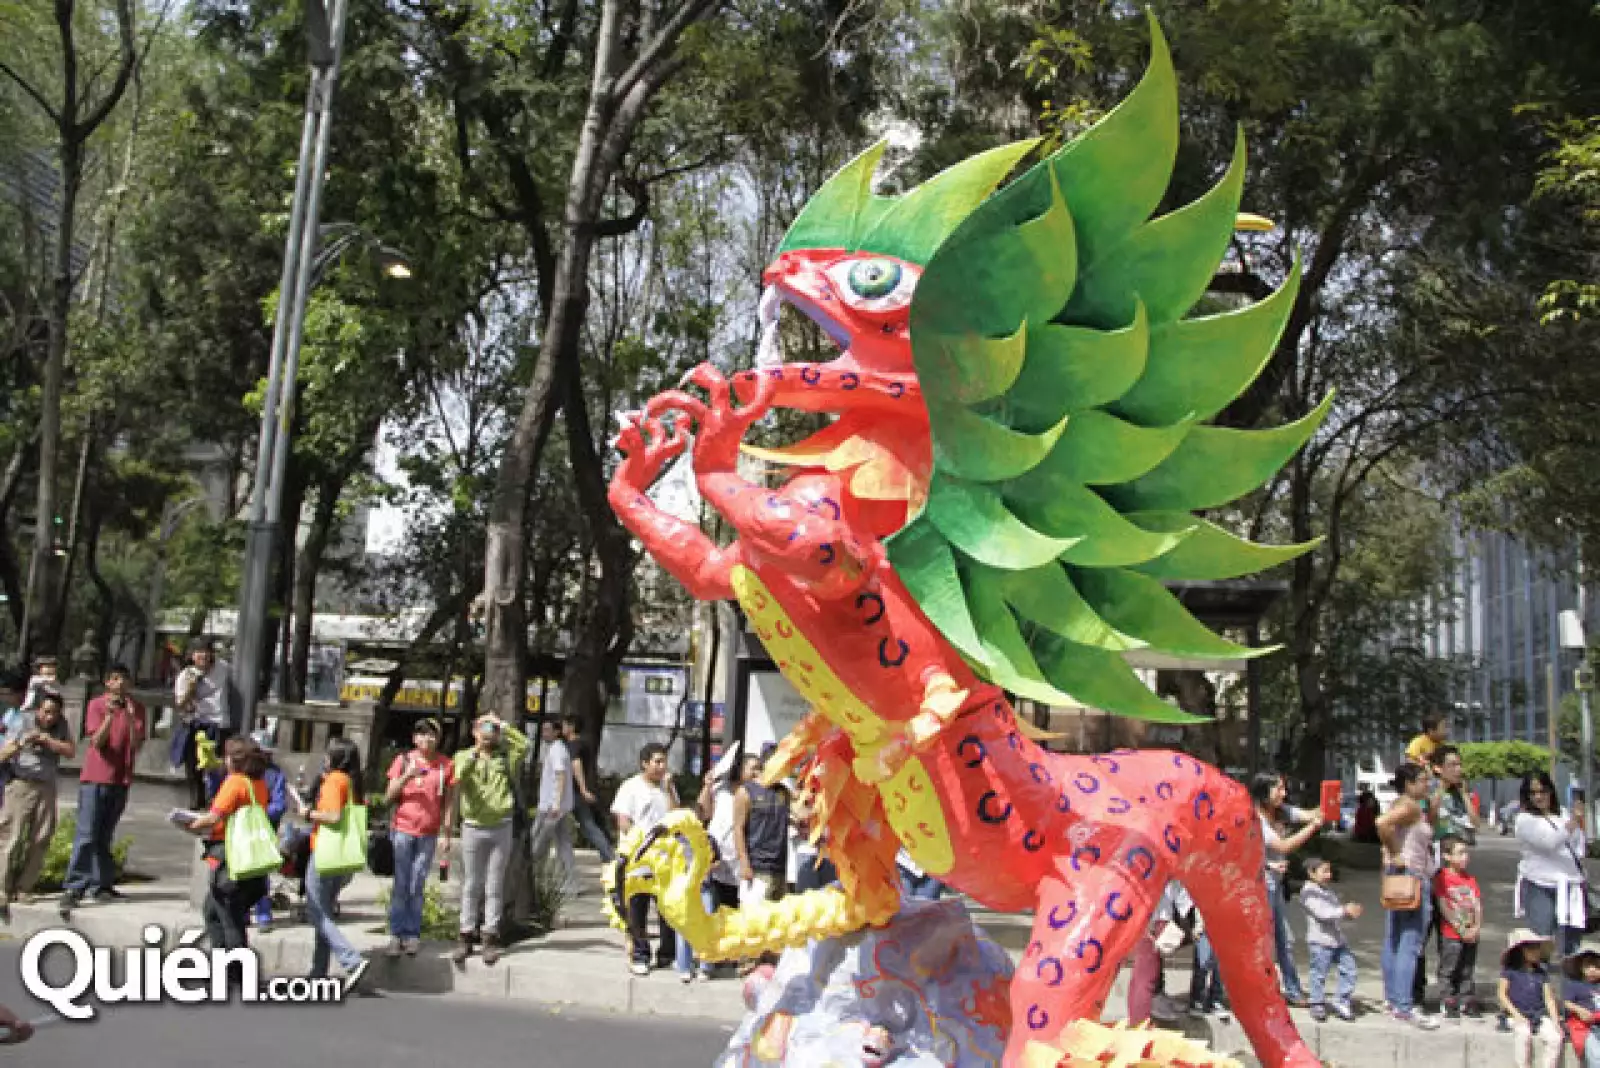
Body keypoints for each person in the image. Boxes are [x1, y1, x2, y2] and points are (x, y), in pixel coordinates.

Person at [60, 664, 146, 917]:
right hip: (97, 777)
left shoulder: (136, 708)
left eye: (124, 679)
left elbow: (137, 743)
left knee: (105, 834)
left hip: (121, 779)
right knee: (87, 833)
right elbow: (96, 741)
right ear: (108, 682)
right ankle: (74, 886)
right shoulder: (96, 705)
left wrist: (129, 716)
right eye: (115, 679)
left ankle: (101, 884)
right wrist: (110, 716)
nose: (120, 684)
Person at [178, 737, 272, 955]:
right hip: (250, 862)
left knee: (231, 921)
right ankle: (224, 965)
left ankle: (235, 975)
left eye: (226, 756)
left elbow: (214, 817)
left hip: (230, 859)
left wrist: (189, 824)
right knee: (213, 912)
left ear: (234, 760)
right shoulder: (258, 784)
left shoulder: (235, 782)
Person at [448, 712, 528, 966]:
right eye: (483, 727)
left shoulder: (506, 757)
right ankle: (465, 933)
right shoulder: (463, 756)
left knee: (494, 884)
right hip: (473, 826)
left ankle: (490, 936)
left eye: (490, 728)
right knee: (472, 884)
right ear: (473, 731)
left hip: (501, 827)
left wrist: (503, 726)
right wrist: (476, 751)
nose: (487, 732)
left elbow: (524, 745)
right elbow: (459, 775)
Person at [298, 737, 370, 990]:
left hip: (325, 853)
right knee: (324, 913)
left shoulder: (335, 780)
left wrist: (308, 813)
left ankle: (350, 959)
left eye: (329, 754)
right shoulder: (352, 783)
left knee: (316, 911)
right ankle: (318, 970)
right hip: (343, 857)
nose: (324, 758)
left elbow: (333, 816)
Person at [676, 747, 749, 982]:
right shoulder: (720, 791)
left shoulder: (752, 794)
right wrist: (708, 785)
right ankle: (701, 961)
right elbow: (703, 811)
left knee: (734, 912)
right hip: (715, 867)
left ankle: (728, 957)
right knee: (713, 913)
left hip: (738, 863)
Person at [384, 717, 454, 957]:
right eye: (422, 734)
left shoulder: (445, 765)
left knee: (418, 882)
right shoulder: (403, 761)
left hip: (428, 833)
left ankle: (412, 934)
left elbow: (448, 803)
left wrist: (447, 834)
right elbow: (388, 796)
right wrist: (407, 776)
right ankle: (396, 934)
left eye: (432, 735)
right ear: (415, 738)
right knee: (401, 883)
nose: (427, 739)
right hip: (403, 829)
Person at [0, 691, 74, 920]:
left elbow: (70, 751)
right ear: (38, 709)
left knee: (41, 838)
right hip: (22, 783)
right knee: (10, 838)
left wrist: (48, 740)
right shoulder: (22, 720)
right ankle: (2, 888)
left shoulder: (61, 726)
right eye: (46, 711)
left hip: (47, 785)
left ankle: (24, 887)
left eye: (54, 713)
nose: (49, 717)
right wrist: (25, 741)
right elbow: (5, 752)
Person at [1377, 761, 1439, 1029]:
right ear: (1409, 784)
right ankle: (1403, 1004)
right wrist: (1397, 853)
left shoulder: (1402, 804)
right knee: (1410, 942)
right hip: (1412, 876)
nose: (1427, 785)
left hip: (1397, 876)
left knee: (1394, 938)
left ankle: (1393, 999)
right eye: (1423, 781)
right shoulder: (1409, 806)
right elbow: (1382, 824)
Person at [1252, 771, 1323, 1007]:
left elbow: (1308, 814)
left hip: (1276, 885)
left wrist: (1327, 806)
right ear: (1264, 793)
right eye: (1278, 789)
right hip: (1262, 887)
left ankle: (1291, 989)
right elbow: (1283, 845)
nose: (1283, 794)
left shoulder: (1280, 811)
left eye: (1284, 788)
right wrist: (1312, 827)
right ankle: (1261, 991)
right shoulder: (1257, 819)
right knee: (1265, 942)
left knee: (1284, 940)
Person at [612, 741, 680, 975]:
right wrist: (636, 845)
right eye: (657, 761)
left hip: (663, 860)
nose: (662, 767)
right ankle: (640, 954)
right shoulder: (630, 787)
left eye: (664, 761)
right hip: (638, 861)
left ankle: (667, 953)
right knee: (637, 910)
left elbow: (675, 816)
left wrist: (670, 789)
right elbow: (623, 820)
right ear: (644, 763)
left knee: (666, 909)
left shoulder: (666, 788)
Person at [1514, 770, 1588, 958]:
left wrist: (1576, 824)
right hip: (1540, 884)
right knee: (1541, 942)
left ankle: (1571, 985)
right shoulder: (1524, 819)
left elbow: (1578, 848)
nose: (1539, 796)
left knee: (1571, 946)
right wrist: (1572, 822)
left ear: (1551, 791)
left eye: (1543, 791)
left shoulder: (1562, 813)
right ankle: (1540, 984)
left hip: (1570, 885)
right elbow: (1548, 843)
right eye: (1533, 792)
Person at [1298, 856, 1360, 1022]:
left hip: (1337, 940)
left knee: (1350, 969)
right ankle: (1316, 1002)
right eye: (1324, 871)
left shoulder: (1328, 891)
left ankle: (1341, 999)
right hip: (1320, 941)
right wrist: (1343, 910)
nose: (1328, 874)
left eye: (1329, 871)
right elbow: (1323, 914)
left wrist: (1349, 914)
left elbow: (1335, 914)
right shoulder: (1308, 893)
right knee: (1319, 973)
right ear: (1311, 873)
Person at [172, 641, 231, 810]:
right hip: (194, 723)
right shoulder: (185, 675)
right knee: (193, 763)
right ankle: (196, 798)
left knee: (216, 763)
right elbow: (181, 704)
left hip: (218, 722)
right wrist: (191, 688)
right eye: (198, 652)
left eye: (206, 652)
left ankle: (215, 798)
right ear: (192, 655)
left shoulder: (222, 668)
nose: (203, 656)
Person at [1433, 833, 1483, 1018]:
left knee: (1467, 968)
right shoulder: (1443, 878)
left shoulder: (1470, 880)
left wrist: (1476, 926)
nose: (1465, 857)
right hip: (1452, 933)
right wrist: (1460, 928)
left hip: (1471, 932)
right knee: (1449, 967)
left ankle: (1466, 998)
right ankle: (1448, 998)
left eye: (1466, 853)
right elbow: (1444, 905)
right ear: (1447, 856)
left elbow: (1477, 904)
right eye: (1460, 853)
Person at [735, 744, 790, 906]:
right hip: (757, 869)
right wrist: (744, 863)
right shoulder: (745, 792)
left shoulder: (783, 791)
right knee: (753, 923)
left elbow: (788, 818)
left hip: (779, 868)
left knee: (776, 925)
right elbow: (738, 828)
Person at [245, 730, 289, 932]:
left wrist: (260, 812)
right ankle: (243, 912)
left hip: (265, 829)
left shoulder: (275, 774)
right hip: (242, 830)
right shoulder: (240, 774)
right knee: (241, 872)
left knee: (261, 873)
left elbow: (279, 805)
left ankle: (264, 914)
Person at [1499, 929, 1561, 1068]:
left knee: (1555, 1038)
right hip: (1515, 1014)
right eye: (1530, 948)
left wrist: (1555, 1020)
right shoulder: (1509, 972)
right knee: (1523, 1034)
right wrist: (1516, 1015)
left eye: (1537, 947)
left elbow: (1549, 998)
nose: (1535, 951)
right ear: (1519, 951)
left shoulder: (1541, 973)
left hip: (1538, 1014)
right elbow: (1502, 995)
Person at [529, 718, 576, 893]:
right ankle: (570, 883)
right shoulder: (557, 750)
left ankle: (533, 880)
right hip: (557, 806)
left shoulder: (557, 750)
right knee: (563, 843)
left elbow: (561, 776)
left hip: (551, 808)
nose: (544, 733)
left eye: (547, 730)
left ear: (557, 732)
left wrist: (556, 803)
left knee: (538, 844)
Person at [560, 715, 615, 862]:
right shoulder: (584, 744)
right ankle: (609, 855)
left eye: (565, 725)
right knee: (589, 825)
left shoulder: (573, 745)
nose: (562, 728)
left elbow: (576, 765)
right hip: (581, 791)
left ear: (571, 728)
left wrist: (583, 789)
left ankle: (610, 856)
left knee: (588, 825)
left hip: (576, 792)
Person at [1563, 944, 1600, 1068]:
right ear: (1580, 967)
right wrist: (1579, 1010)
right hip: (1583, 1025)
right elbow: (1567, 1002)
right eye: (1588, 966)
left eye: (1597, 967)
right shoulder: (1575, 985)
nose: (1593, 970)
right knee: (1595, 1053)